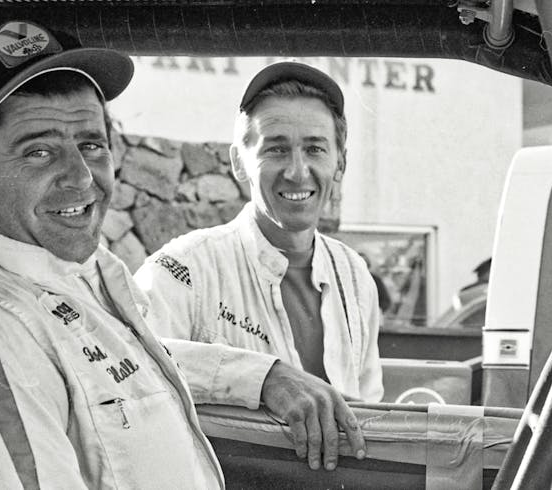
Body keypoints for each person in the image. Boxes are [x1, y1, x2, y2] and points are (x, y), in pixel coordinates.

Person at [0, 23, 366, 488]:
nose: (81, 177)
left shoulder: (84, 287)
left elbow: (123, 363)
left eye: (91, 144)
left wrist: (262, 376)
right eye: (39, 152)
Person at [135, 62, 383, 404]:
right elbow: (128, 365)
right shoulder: (185, 269)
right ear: (239, 162)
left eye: (315, 149)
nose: (298, 172)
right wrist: (260, 379)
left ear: (340, 162)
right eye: (276, 149)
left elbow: (369, 407)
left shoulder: (354, 276)